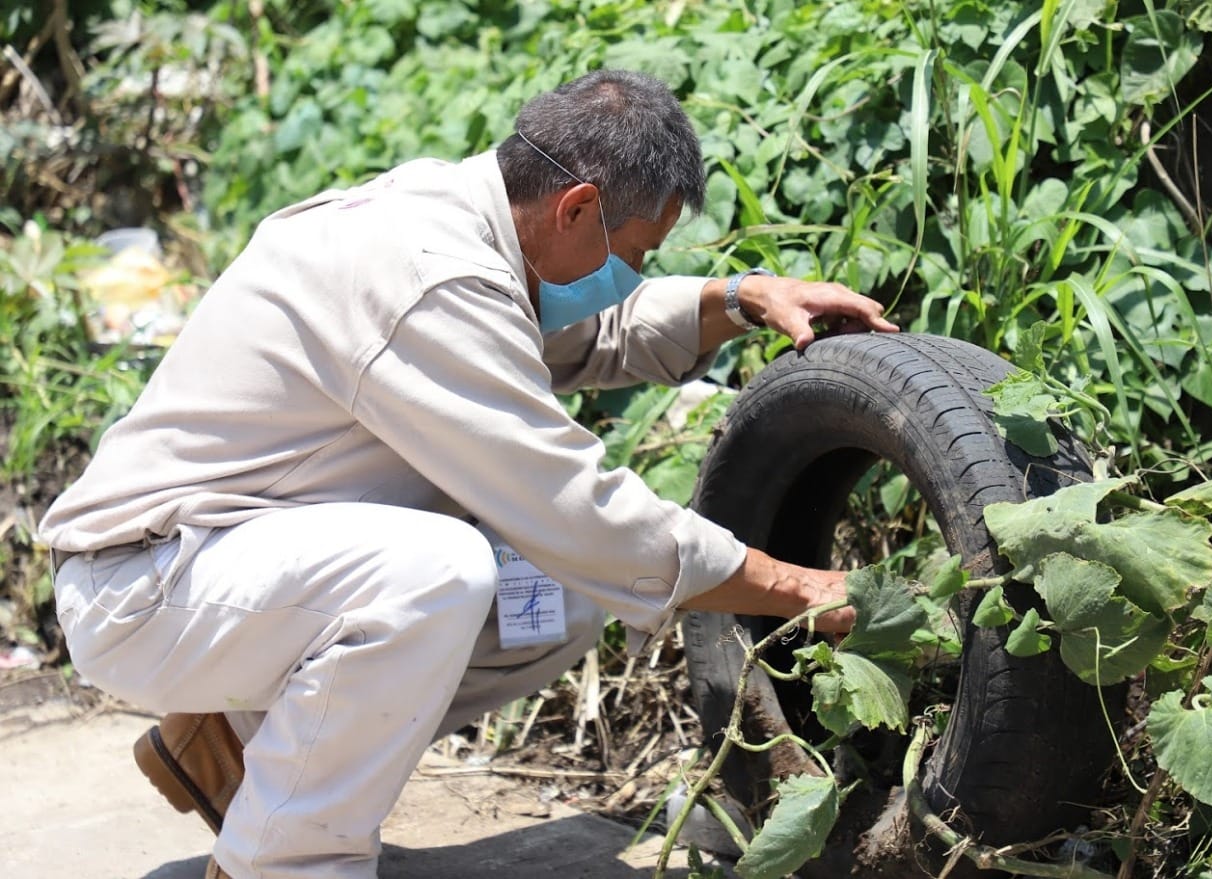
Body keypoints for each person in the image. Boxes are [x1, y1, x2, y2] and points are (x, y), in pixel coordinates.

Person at [40, 69, 898, 879]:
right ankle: (286, 861)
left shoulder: (477, 228)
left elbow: (591, 336)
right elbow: (580, 512)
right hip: (149, 580)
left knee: (558, 593)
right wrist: (805, 588)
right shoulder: (425, 273)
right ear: (578, 206)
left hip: (246, 562)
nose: (633, 274)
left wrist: (742, 296)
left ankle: (234, 741)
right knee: (438, 573)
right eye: (637, 252)